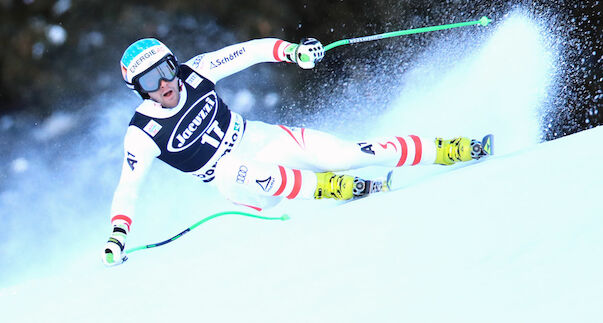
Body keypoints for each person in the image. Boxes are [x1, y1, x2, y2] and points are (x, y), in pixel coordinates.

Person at [103, 37, 489, 266]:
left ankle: (453, 149)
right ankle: (337, 187)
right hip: (244, 186)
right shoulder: (142, 132)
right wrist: (118, 236)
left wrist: (294, 53)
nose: (166, 83)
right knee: (228, 168)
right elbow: (127, 188)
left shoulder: (196, 71)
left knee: (347, 154)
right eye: (151, 80)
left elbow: (250, 50)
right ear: (138, 89)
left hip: (261, 139)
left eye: (167, 69)